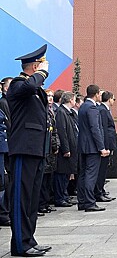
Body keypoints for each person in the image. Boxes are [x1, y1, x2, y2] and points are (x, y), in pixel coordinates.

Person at [7, 44, 52, 256]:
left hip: (36, 150)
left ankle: (29, 239)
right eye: (41, 66)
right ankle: (19, 245)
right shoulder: (18, 85)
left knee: (32, 200)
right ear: (34, 67)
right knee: (20, 199)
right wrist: (42, 72)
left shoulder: (34, 90)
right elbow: (29, 87)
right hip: (23, 149)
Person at [77, 85, 110, 213]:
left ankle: (82, 201)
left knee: (83, 174)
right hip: (92, 147)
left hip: (83, 145)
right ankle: (90, 202)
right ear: (96, 94)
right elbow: (95, 128)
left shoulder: (83, 106)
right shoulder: (92, 107)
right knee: (91, 174)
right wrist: (101, 147)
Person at [53, 92, 78, 207]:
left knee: (67, 174)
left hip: (71, 149)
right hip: (65, 151)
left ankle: (65, 195)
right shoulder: (61, 113)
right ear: (70, 100)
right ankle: (60, 198)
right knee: (61, 175)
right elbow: (62, 132)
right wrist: (66, 149)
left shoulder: (68, 113)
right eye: (74, 99)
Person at [95, 91, 117, 202]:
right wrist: (106, 146)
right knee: (101, 170)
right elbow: (103, 129)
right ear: (109, 99)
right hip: (105, 145)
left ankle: (101, 190)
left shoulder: (105, 110)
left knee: (104, 170)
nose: (114, 101)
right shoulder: (103, 110)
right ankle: (98, 192)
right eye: (114, 99)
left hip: (108, 144)